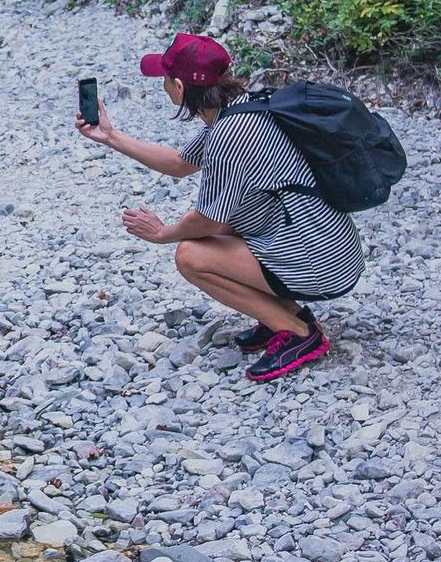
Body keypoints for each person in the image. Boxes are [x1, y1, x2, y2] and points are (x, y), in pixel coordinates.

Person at [76, 32, 364, 381]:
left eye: (165, 79)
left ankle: (300, 335)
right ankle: (286, 315)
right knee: (222, 229)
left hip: (321, 265)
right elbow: (180, 163)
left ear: (180, 89)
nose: (163, 84)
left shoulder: (229, 135)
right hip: (328, 247)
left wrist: (162, 233)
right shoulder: (240, 110)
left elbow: (206, 221)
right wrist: (111, 136)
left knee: (191, 255)